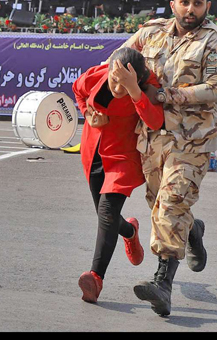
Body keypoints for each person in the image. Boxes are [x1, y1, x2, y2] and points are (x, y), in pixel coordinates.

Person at [118, 0, 217, 316]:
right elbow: (120, 60)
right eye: (184, 2)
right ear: (173, 5)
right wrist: (112, 89)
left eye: (198, 3)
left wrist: (161, 95)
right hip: (153, 137)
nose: (191, 9)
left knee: (170, 206)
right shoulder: (150, 33)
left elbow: (211, 90)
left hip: (193, 141)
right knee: (160, 206)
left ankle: (162, 284)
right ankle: (193, 230)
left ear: (207, 6)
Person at [72, 47, 164, 304]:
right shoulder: (98, 74)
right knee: (106, 217)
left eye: (124, 83)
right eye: (114, 80)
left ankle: (95, 278)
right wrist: (88, 116)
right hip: (94, 153)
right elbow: (78, 90)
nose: (117, 87)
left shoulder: (146, 86)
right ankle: (129, 231)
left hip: (123, 157)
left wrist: (134, 91)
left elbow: (155, 121)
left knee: (107, 213)